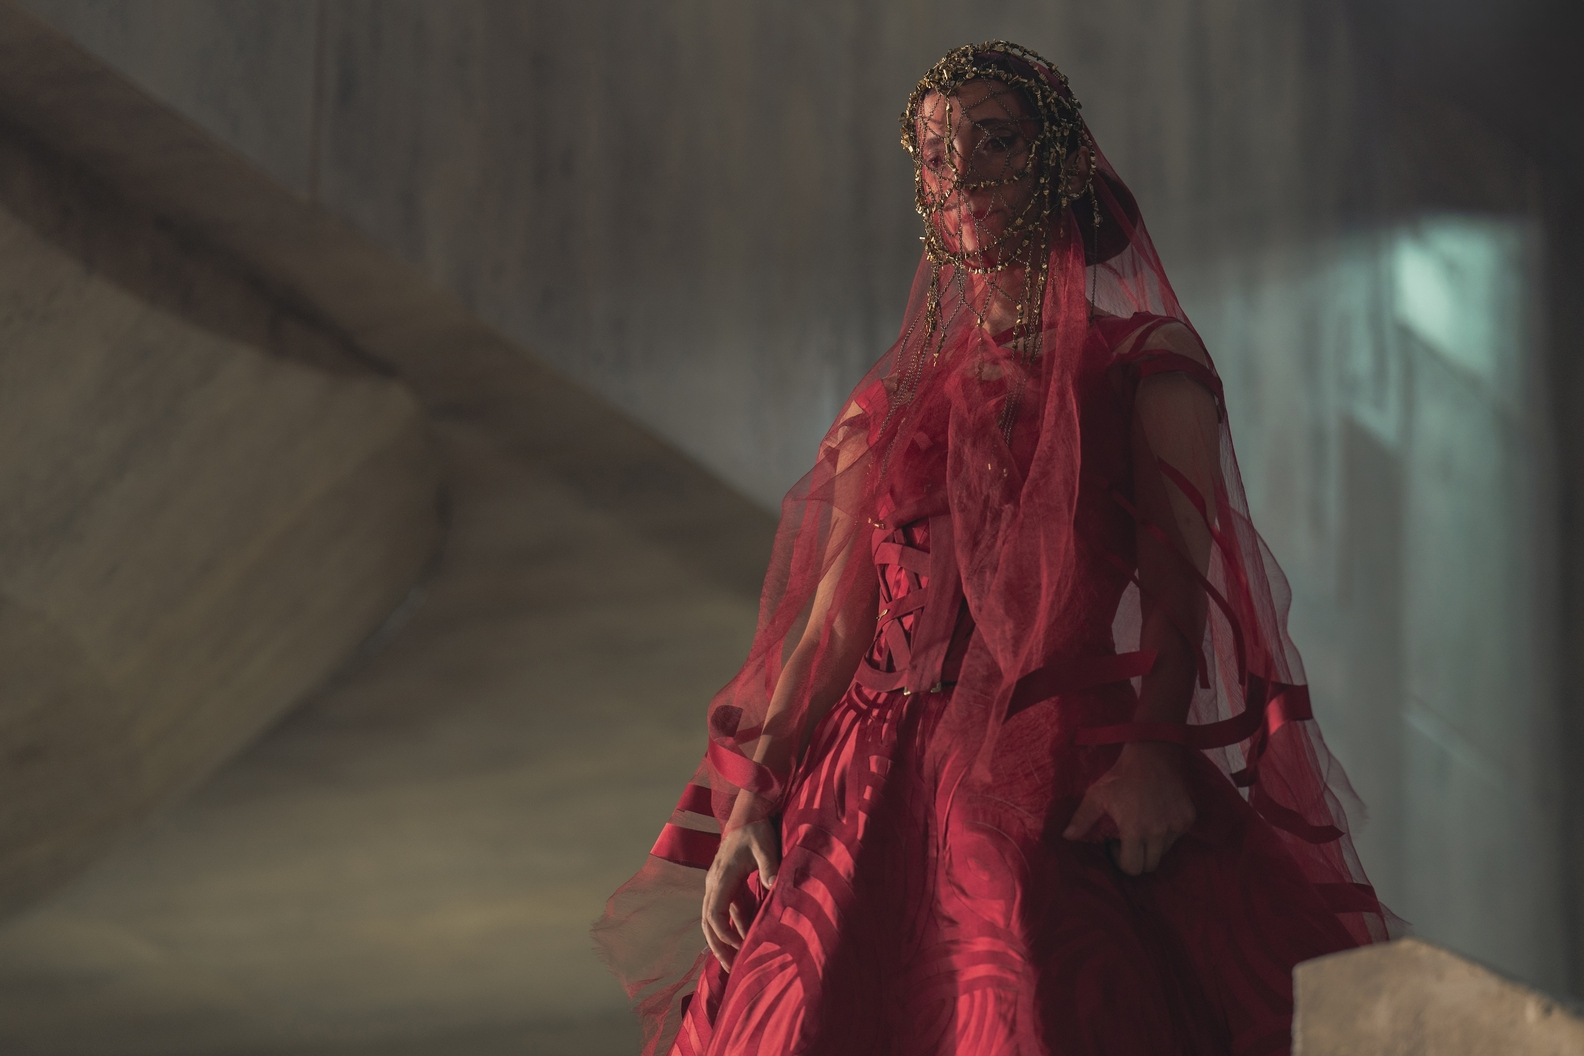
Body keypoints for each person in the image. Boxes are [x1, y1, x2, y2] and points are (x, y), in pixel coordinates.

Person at [596, 41, 1394, 1056]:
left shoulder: (1143, 364)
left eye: (995, 142)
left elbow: (1179, 587)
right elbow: (835, 622)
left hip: (1052, 762)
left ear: (1060, 162)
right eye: (937, 154)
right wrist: (757, 790)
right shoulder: (887, 403)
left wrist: (1153, 753)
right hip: (862, 783)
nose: (962, 175)